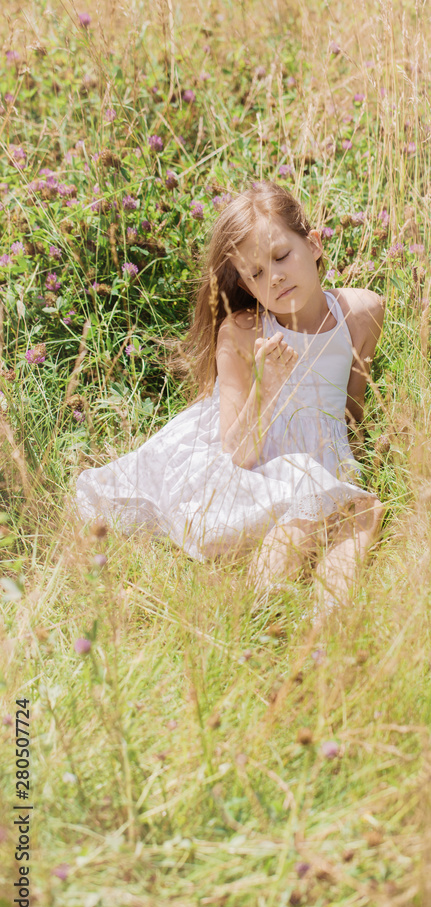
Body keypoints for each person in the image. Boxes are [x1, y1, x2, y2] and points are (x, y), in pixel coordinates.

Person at [76, 181, 385, 614]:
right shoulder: (243, 331)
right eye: (255, 273)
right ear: (244, 283)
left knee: (362, 511)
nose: (273, 276)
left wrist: (356, 453)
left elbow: (352, 412)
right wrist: (268, 385)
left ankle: (327, 627)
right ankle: (263, 620)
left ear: (314, 244)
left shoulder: (360, 312)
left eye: (281, 256)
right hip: (248, 469)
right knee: (300, 524)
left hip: (317, 460)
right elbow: (238, 453)